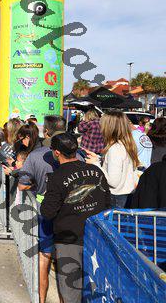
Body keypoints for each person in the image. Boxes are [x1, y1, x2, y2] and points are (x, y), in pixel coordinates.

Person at [41, 133, 110, 303]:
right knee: (95, 289)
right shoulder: (95, 170)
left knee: (71, 291)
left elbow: (48, 212)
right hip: (96, 238)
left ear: (57, 152)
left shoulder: (56, 177)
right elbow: (107, 202)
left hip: (69, 240)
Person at [16, 119, 61, 303]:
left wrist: (36, 186)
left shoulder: (35, 156)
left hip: (45, 212)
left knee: (45, 257)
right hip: (68, 214)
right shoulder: (78, 155)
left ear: (47, 132)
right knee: (63, 257)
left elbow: (22, 184)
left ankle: (41, 299)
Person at [84, 111, 138, 208]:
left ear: (109, 127)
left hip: (116, 198)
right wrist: (98, 159)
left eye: (102, 124)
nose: (100, 128)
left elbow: (113, 182)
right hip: (126, 195)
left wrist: (95, 164)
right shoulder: (126, 144)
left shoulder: (114, 149)